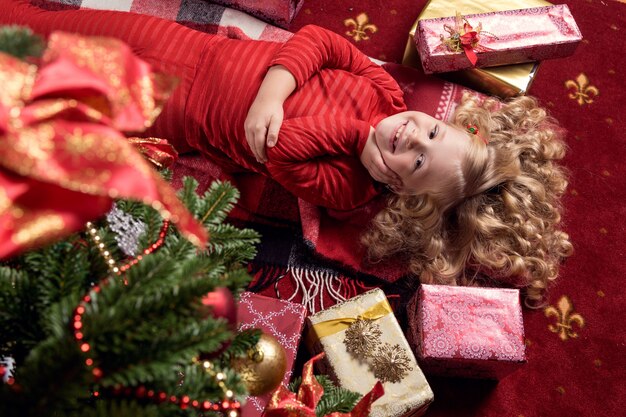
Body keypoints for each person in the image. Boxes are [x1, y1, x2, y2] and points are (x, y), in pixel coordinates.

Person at [2, 0, 572, 305]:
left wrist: (356, 140)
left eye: (418, 161)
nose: (411, 136)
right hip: (190, 48)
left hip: (176, 108)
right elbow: (320, 41)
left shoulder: (349, 188)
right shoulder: (385, 91)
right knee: (54, 27)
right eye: (430, 131)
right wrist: (276, 88)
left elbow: (278, 152)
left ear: (401, 191)